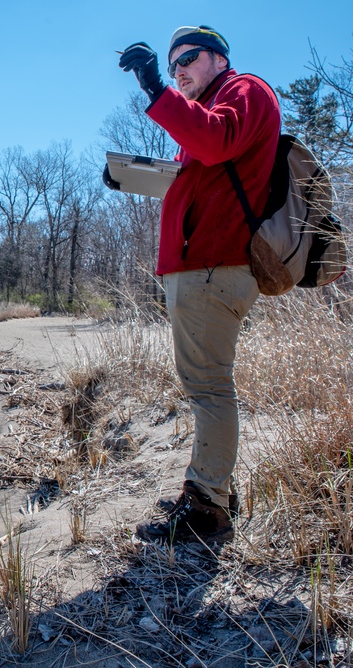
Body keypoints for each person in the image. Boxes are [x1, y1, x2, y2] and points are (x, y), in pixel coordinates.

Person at [105, 26, 281, 544]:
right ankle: (211, 489)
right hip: (199, 266)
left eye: (187, 58)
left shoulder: (243, 91)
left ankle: (207, 508)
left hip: (214, 266)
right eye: (171, 61)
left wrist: (153, 87)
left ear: (219, 59)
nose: (178, 67)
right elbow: (201, 171)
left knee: (208, 386)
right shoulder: (209, 112)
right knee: (204, 384)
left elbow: (212, 139)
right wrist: (133, 177)